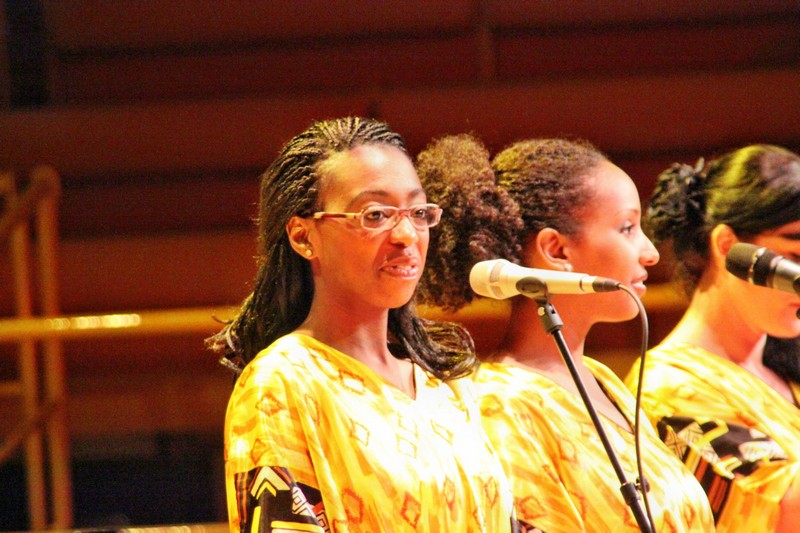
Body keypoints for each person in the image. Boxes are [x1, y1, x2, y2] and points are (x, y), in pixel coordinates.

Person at [207, 117, 516, 532]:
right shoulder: (283, 380)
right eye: (375, 215)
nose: (407, 234)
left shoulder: (445, 386)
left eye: (418, 212)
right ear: (303, 237)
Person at [415, 134, 715, 532]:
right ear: (556, 251)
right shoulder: (501, 404)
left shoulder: (605, 381)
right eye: (627, 228)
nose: (651, 253)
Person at [624, 144, 800, 532]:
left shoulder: (785, 364)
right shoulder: (666, 388)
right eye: (796, 257)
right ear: (727, 247)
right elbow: (784, 512)